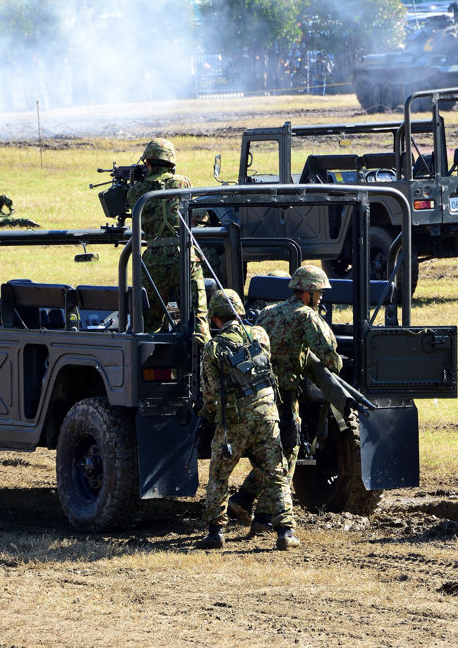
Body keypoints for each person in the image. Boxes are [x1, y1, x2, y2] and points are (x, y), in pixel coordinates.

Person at [227, 266, 342, 534]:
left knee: (271, 453)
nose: (322, 297)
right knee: (286, 454)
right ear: (308, 292)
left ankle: (246, 501)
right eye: (320, 292)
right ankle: (263, 515)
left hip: (259, 393)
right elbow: (330, 357)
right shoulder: (307, 317)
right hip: (286, 397)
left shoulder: (268, 313)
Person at [196, 289, 299, 551]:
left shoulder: (212, 348)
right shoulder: (260, 335)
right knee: (276, 473)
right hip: (267, 416)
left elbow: (209, 393)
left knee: (219, 476)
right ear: (240, 312)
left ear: (215, 319)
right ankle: (285, 532)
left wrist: (210, 416)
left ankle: (216, 533)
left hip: (234, 422)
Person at [125, 138, 209, 343]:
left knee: (148, 321)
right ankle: (204, 361)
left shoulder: (136, 191)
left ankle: (147, 360)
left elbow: (132, 211)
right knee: (197, 318)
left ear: (147, 163)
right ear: (171, 163)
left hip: (154, 259)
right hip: (185, 256)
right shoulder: (183, 182)